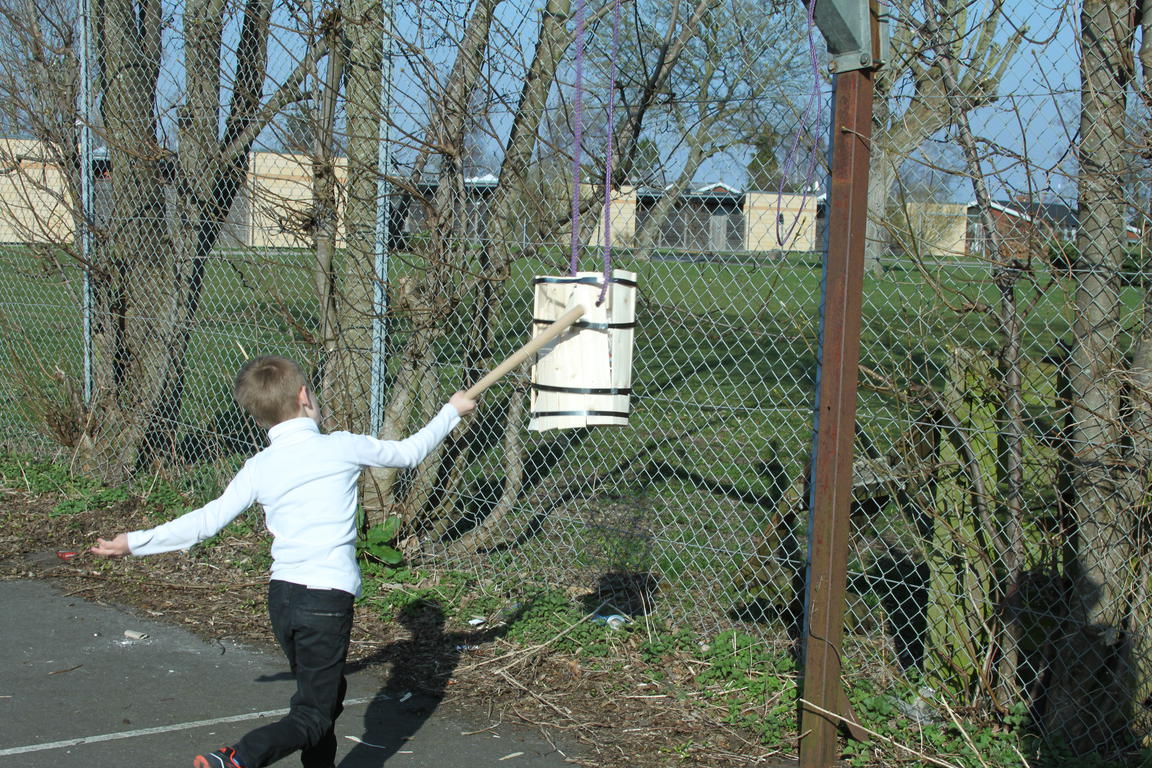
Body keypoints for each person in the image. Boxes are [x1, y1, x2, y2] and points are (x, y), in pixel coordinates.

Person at [90, 355, 476, 768]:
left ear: (259, 417)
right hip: (325, 600)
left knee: (319, 699)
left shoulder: (260, 466)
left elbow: (206, 521)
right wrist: (451, 411)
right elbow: (410, 452)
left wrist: (134, 542)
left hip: (283, 599)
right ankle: (239, 757)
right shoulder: (341, 446)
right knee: (313, 713)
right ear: (305, 396)